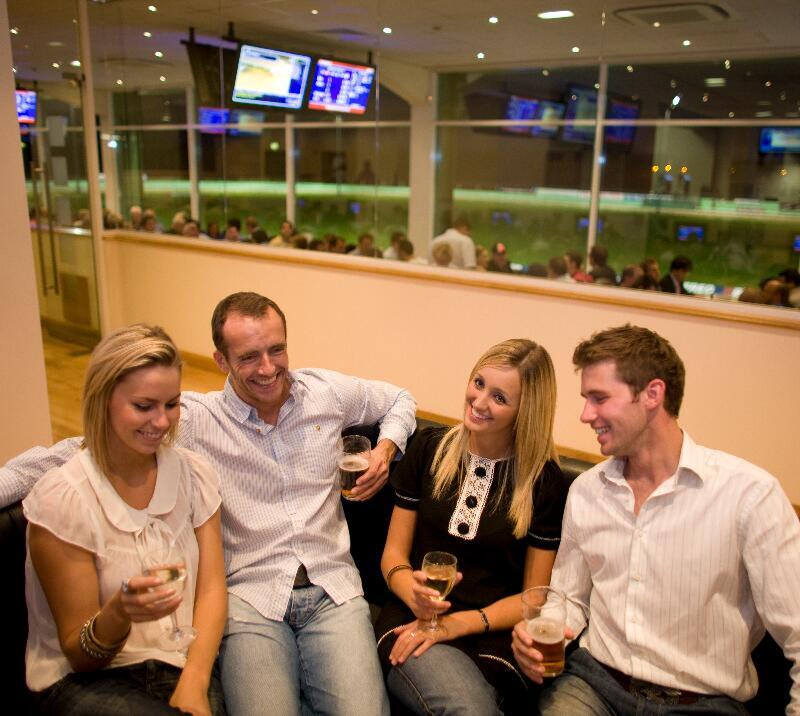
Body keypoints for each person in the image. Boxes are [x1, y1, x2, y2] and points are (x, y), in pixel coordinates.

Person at [1, 292, 416, 716]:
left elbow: (400, 399)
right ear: (220, 360)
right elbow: (71, 452)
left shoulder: (326, 393)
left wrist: (385, 450)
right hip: (252, 597)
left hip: (334, 588)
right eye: (250, 357)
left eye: (277, 349)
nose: (269, 368)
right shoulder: (193, 419)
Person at [512, 325, 800, 715]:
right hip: (595, 685)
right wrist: (540, 636)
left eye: (599, 399)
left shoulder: (749, 495)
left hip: (703, 702)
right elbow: (571, 601)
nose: (585, 415)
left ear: (652, 394)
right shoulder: (586, 490)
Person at [23, 324, 226, 714]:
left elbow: (212, 590)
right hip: (88, 680)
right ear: (103, 400)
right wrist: (118, 613)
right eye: (144, 406)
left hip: (181, 664)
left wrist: (196, 680)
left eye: (172, 404)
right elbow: (80, 656)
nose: (163, 422)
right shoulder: (63, 500)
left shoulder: (194, 475)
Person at [375, 339, 569, 715]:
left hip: (491, 638)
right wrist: (412, 593)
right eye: (478, 383)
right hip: (412, 620)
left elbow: (534, 596)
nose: (478, 402)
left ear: (525, 412)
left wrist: (460, 623)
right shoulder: (428, 449)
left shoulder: (543, 483)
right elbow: (393, 556)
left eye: (499, 397)